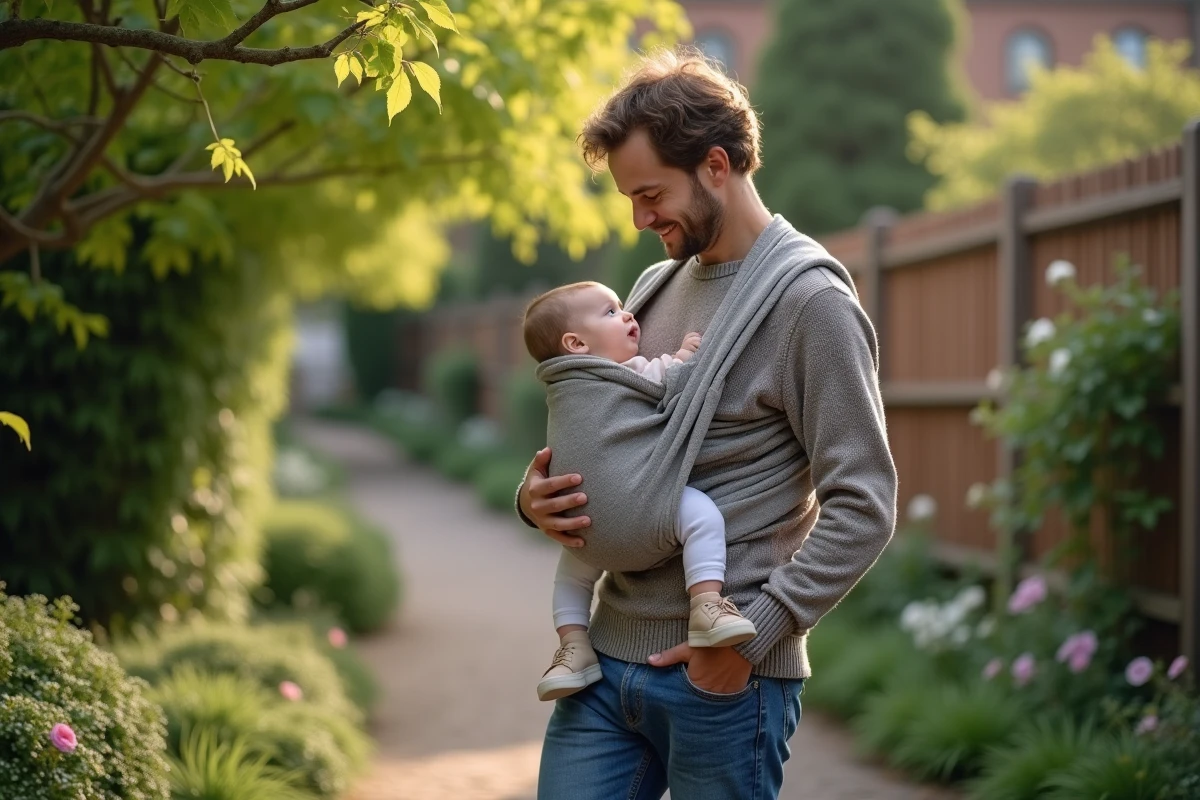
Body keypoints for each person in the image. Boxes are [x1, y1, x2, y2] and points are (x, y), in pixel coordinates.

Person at [517, 46, 897, 799]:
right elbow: (607, 429)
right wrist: (533, 502)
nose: (639, 217)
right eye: (630, 197)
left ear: (716, 166)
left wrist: (751, 637)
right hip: (603, 664)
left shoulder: (809, 303)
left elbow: (865, 503)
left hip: (722, 682)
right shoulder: (655, 288)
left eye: (651, 193)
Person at [520, 280, 757, 702]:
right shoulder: (618, 374)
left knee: (572, 573)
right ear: (575, 343)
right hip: (641, 508)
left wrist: (528, 495)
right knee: (701, 515)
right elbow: (667, 378)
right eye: (611, 312)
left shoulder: (562, 390)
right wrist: (685, 354)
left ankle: (574, 645)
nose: (628, 315)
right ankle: (707, 603)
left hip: (585, 523)